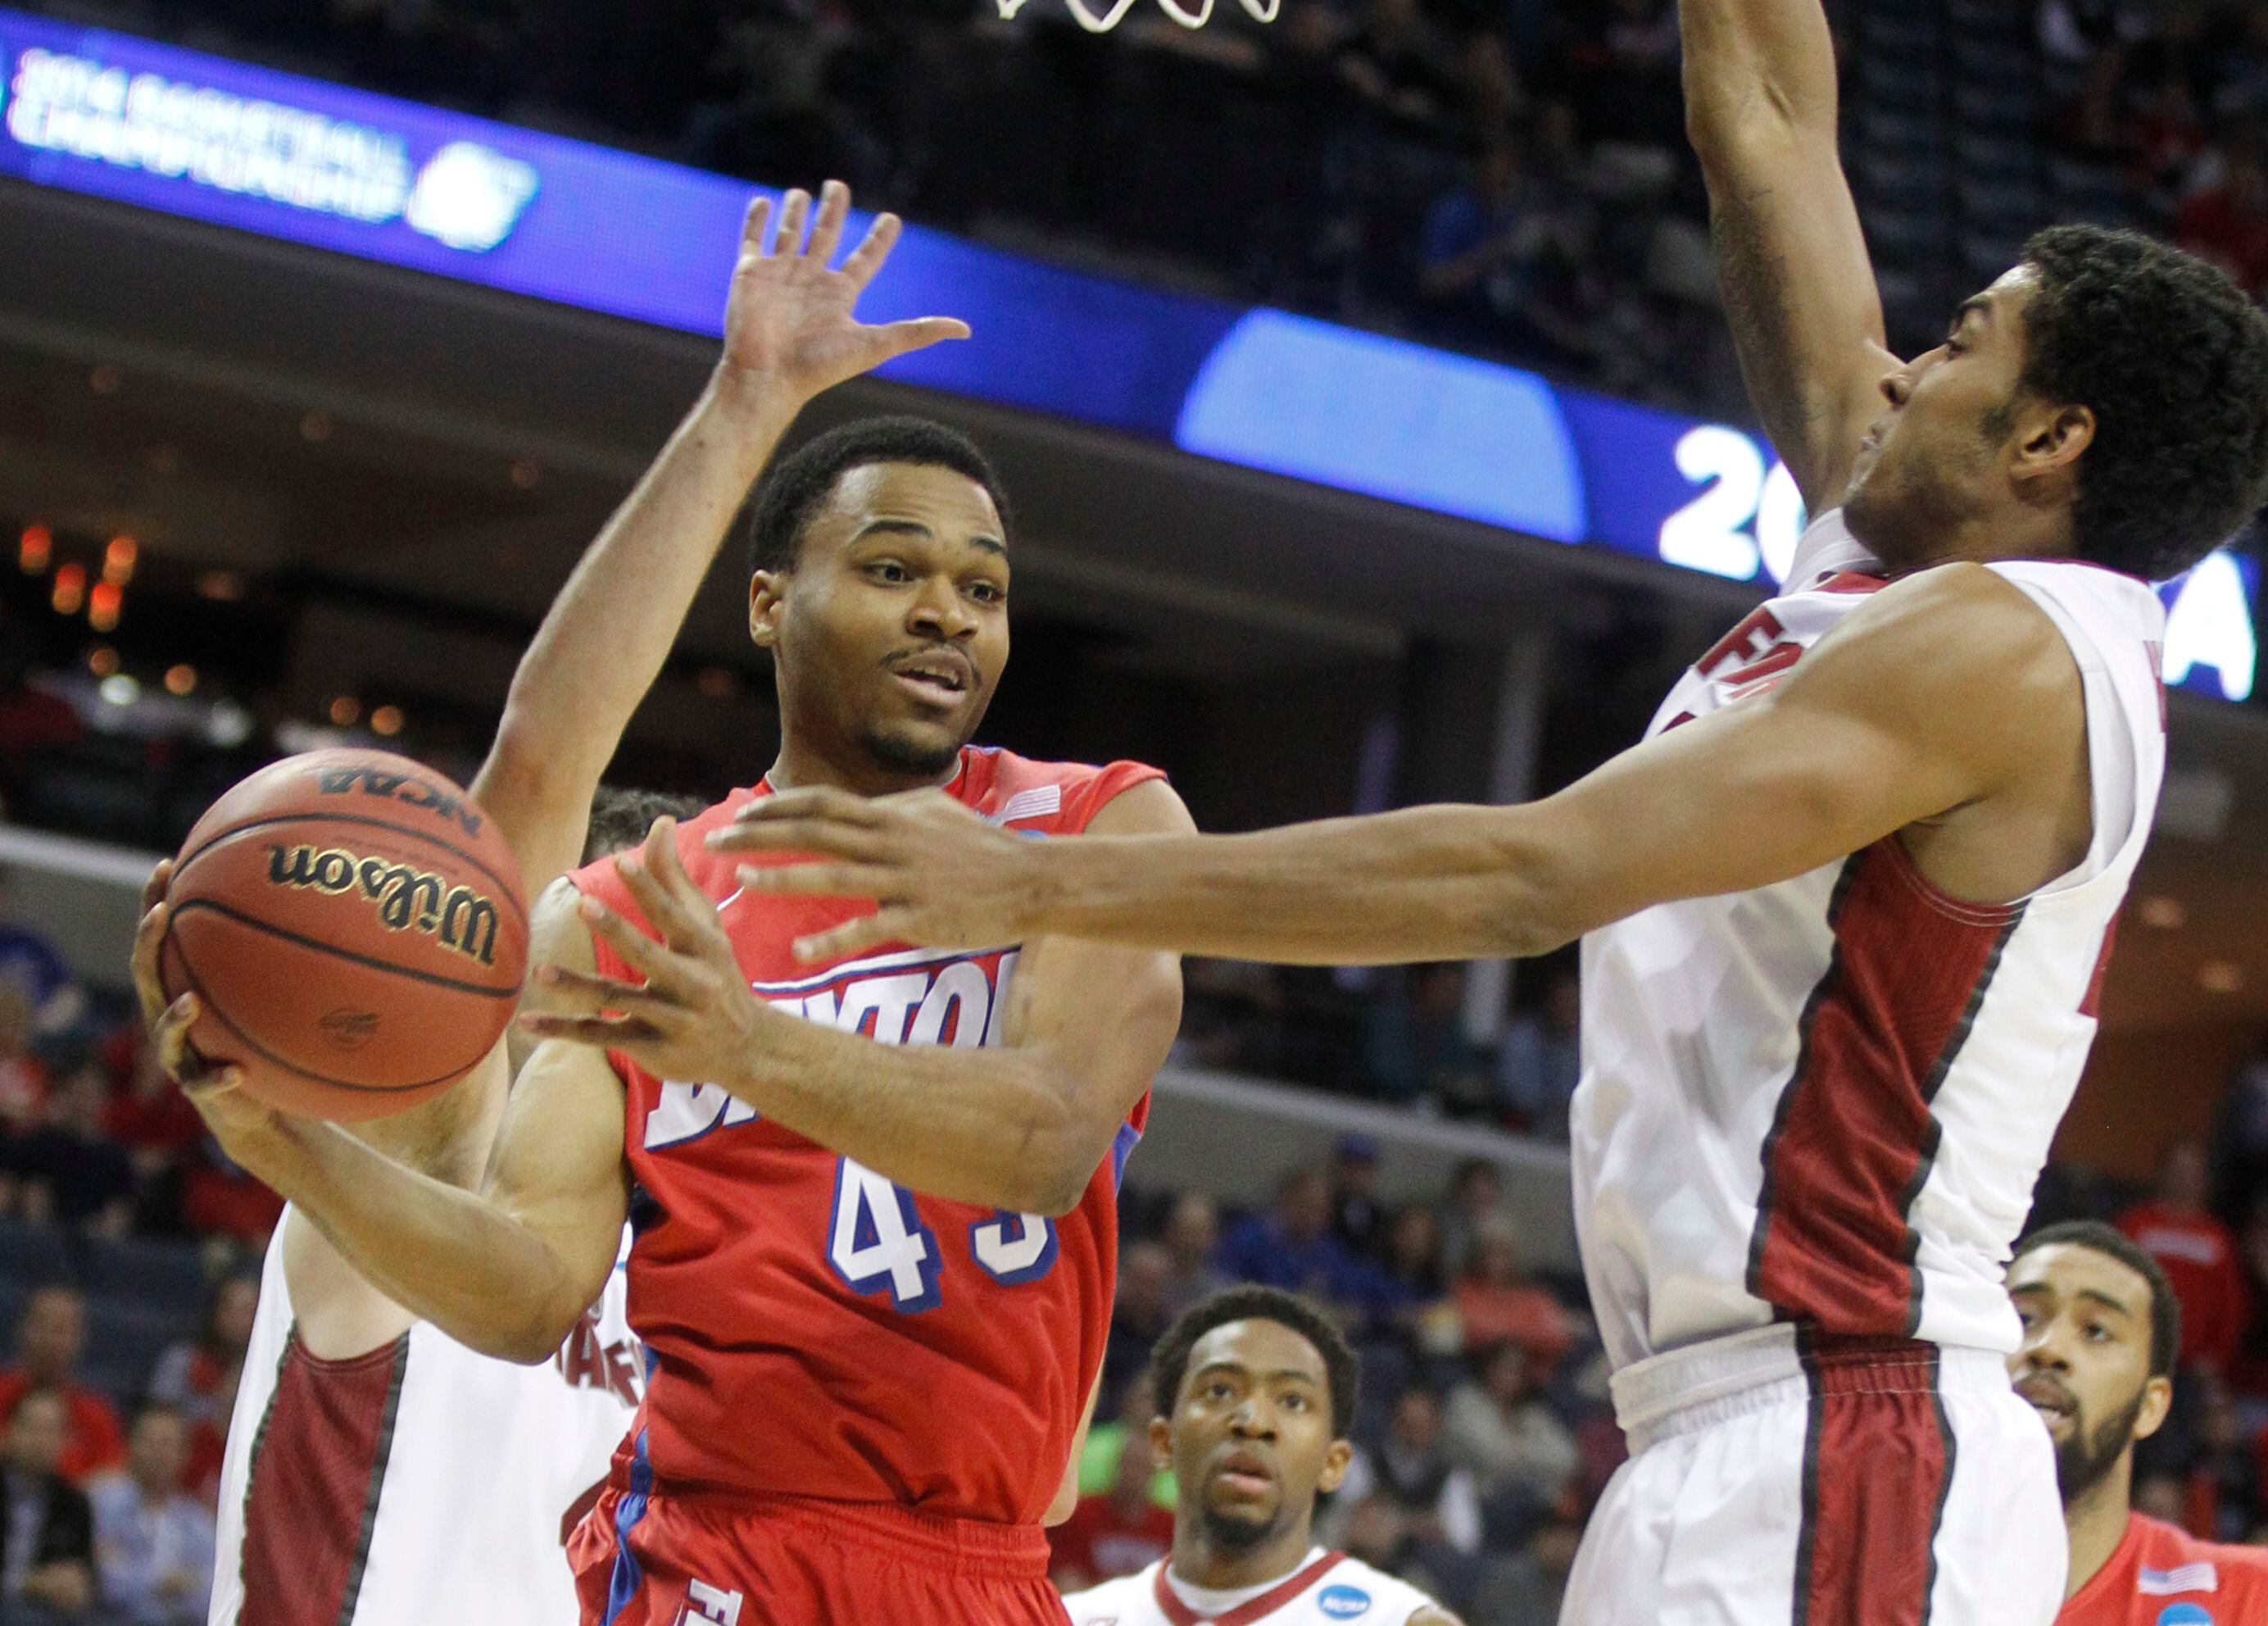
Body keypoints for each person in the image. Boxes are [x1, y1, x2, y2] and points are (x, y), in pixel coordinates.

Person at [715, 0, 2268, 1614]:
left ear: (2046, 440)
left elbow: (1533, 872)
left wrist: (1036, 887)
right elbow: (1764, 123)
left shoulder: (2012, 650)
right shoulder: (1898, 569)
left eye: (1959, 344)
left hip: (1848, 1419)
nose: (1907, 360)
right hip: (1726, 1420)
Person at [147, 181, 1191, 1626]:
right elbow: (535, 774)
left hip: (972, 1563)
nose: (950, 610)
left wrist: (744, 1042)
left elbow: (1043, 1138)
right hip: (712, 1561)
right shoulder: (540, 1016)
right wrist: (272, 1128)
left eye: (984, 585)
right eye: (895, 569)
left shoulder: (1085, 828)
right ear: (772, 603)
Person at [1062, 1286, 1461, 1626]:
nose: (1253, 1422)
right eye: (1219, 1390)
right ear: (1164, 1442)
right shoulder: (1072, 1618)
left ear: (1333, 1463)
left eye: (1292, 1400)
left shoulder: (1400, 1621)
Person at [2005, 1220, 2268, 1621]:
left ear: (2151, 1407)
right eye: (2024, 1319)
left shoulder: (2247, 1597)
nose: (2048, 1347)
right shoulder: (1882, 1570)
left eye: (2095, 1330)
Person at [2116, 1139, 2247, 1378]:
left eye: (2192, 1172)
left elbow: (2230, 1304)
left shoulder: (2216, 1237)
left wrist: (2216, 1359)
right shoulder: (2136, 1224)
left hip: (2191, 1368)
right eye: (2178, 1170)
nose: (2183, 1179)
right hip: (2138, 1356)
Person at [89, 1404, 213, 1626]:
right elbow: (104, 1580)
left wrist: (135, 1573)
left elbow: (212, 1592)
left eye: (166, 1444)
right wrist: (165, 1582)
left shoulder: (197, 1521)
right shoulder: (103, 1504)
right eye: (148, 1442)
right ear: (130, 1446)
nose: (157, 1453)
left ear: (184, 1454)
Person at [0, 1290, 120, 1487]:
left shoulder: (97, 1413)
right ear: (22, 1329)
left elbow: (112, 1480)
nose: (49, 1339)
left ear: (79, 1339)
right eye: (41, 1326)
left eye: (60, 1330)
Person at [1049, 1407, 1176, 1594]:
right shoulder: (1081, 1515)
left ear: (1154, 1473)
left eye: (1140, 1467)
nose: (1132, 1474)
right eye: (1128, 1464)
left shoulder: (1169, 1526)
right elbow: (1066, 1582)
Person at [0, 1388, 93, 1623]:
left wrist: (76, 1586)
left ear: (63, 1440)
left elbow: (87, 1575)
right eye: (31, 1428)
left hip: (46, 1614)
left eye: (49, 1431)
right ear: (11, 1430)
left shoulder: (74, 1504)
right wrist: (27, 1583)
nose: (39, 1440)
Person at [1218, 1169, 1361, 1298]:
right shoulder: (1248, 1239)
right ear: (1286, 1200)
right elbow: (1222, 1285)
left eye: (1321, 1210)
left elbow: (1350, 1291)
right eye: (1307, 1205)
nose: (1314, 1216)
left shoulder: (1328, 1251)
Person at [144, 1274, 256, 1436]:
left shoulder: (269, 1373)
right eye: (229, 1308)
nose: (236, 1319)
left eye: (246, 1311)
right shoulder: (182, 1361)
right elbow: (159, 1424)